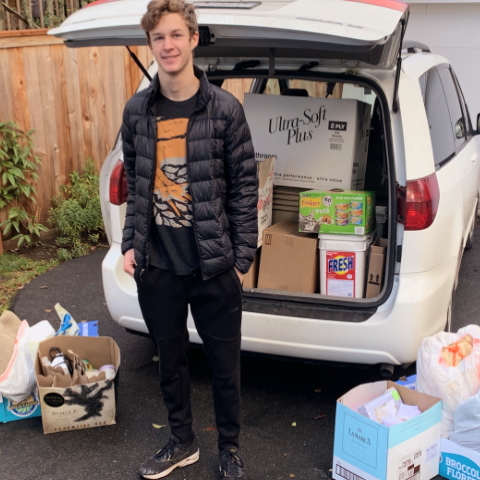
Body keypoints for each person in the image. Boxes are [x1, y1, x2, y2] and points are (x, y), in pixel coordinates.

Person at [120, 0, 258, 478]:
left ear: (193, 39)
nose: (168, 45)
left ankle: (230, 448)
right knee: (170, 362)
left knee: (224, 366)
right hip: (157, 267)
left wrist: (241, 260)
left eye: (176, 34)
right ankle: (182, 442)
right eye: (159, 37)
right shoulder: (137, 111)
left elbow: (244, 187)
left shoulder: (224, 110)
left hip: (214, 266)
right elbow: (136, 185)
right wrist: (130, 244)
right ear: (150, 44)